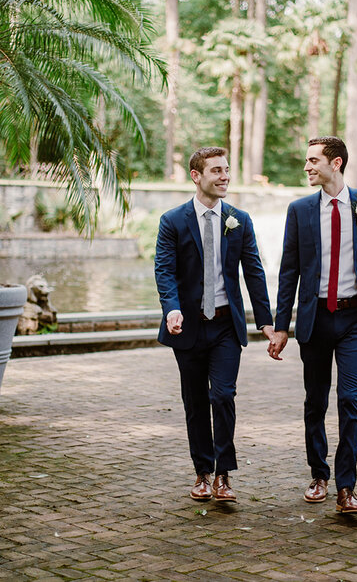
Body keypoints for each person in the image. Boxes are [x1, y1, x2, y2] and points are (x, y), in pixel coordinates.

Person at [268, 136, 357, 514]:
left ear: (335, 163)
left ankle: (346, 487)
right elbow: (288, 270)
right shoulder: (300, 210)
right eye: (306, 161)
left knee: (349, 399)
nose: (307, 167)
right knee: (316, 401)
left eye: (313, 160)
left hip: (355, 317)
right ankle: (318, 475)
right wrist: (281, 327)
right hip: (315, 318)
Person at [155, 146, 275, 503]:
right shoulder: (172, 221)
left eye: (226, 170)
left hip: (225, 326)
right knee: (194, 402)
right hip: (188, 328)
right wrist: (171, 309)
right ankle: (202, 473)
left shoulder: (240, 219)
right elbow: (165, 270)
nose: (224, 177)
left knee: (223, 396)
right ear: (196, 176)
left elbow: (253, 272)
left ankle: (224, 474)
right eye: (216, 171)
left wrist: (266, 322)